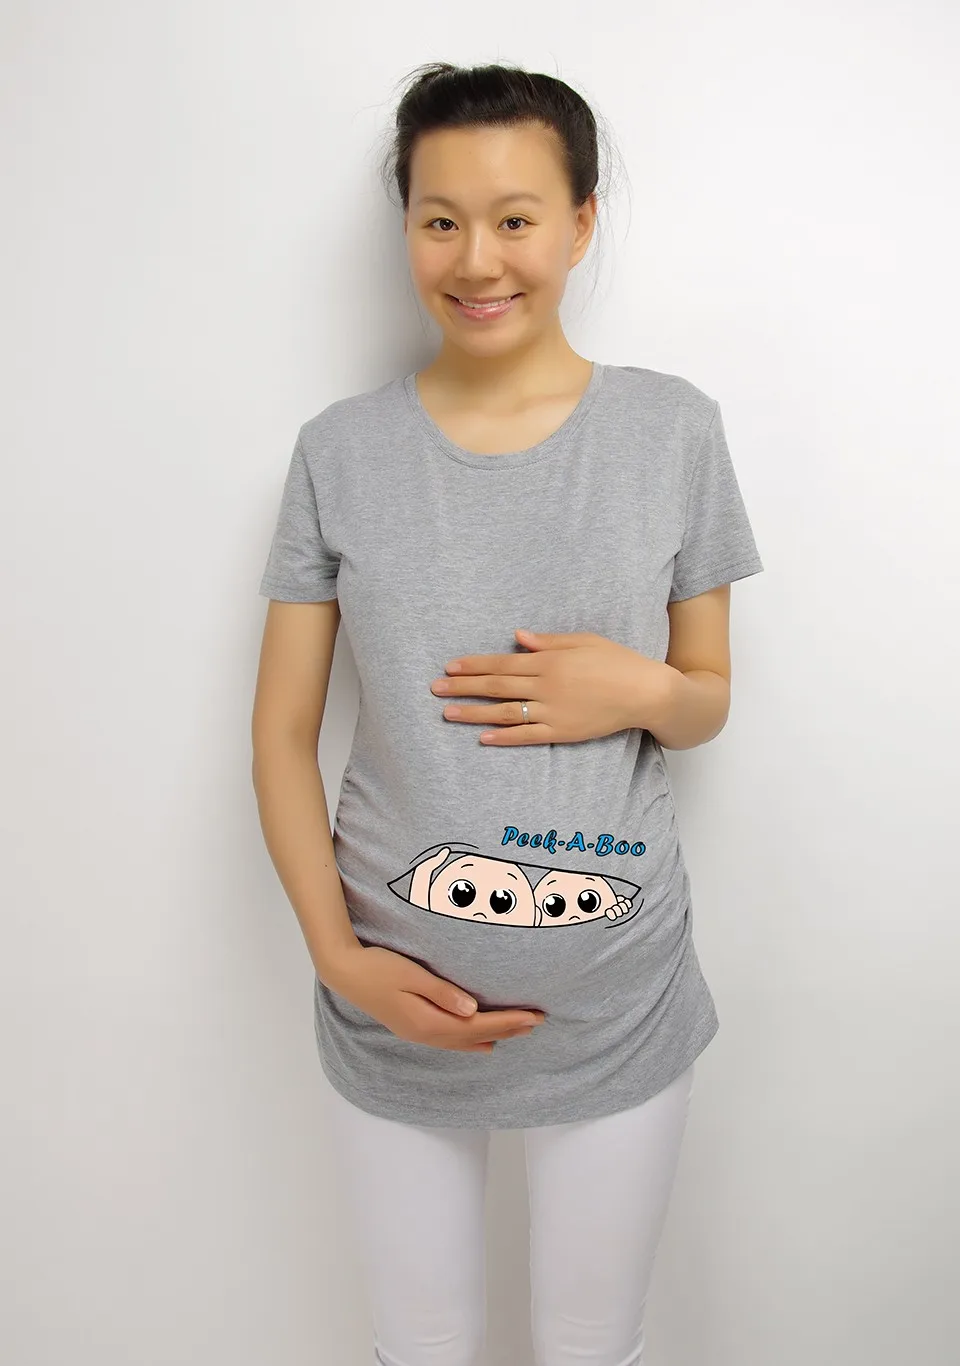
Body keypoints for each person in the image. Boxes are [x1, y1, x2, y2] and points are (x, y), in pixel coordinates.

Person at [252, 60, 764, 1366]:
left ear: (581, 223)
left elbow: (706, 699)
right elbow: (281, 733)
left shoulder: (674, 431)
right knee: (418, 1347)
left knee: (593, 1343)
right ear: (408, 228)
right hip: (391, 1005)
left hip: (617, 1001)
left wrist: (637, 688)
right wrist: (339, 958)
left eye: (517, 218)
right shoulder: (338, 452)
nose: (477, 259)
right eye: (440, 220)